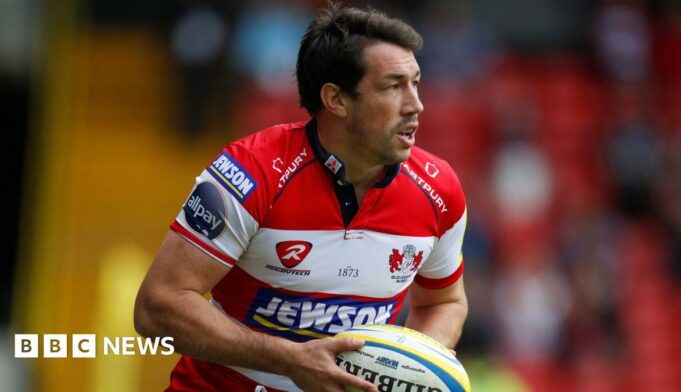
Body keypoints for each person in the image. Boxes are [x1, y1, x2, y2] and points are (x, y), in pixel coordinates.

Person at [134, 3, 468, 391]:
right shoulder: (250, 173)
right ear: (336, 100)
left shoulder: (439, 189)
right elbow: (158, 307)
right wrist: (290, 360)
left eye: (416, 83)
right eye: (393, 87)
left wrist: (408, 370)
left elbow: (443, 302)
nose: (415, 105)